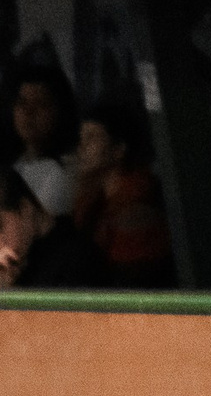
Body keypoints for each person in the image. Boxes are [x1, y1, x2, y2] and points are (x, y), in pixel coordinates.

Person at [70, 102, 174, 288]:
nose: (81, 147)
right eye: (80, 138)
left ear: (118, 149)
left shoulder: (137, 209)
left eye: (92, 137)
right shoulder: (92, 201)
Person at [0, 168, 107, 289]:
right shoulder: (16, 266)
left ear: (25, 209)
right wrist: (0, 289)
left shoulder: (78, 257)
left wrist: (6, 294)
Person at [5, 65, 80, 218]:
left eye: (41, 104)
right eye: (22, 103)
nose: (28, 112)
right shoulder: (11, 163)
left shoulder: (67, 170)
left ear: (61, 110)